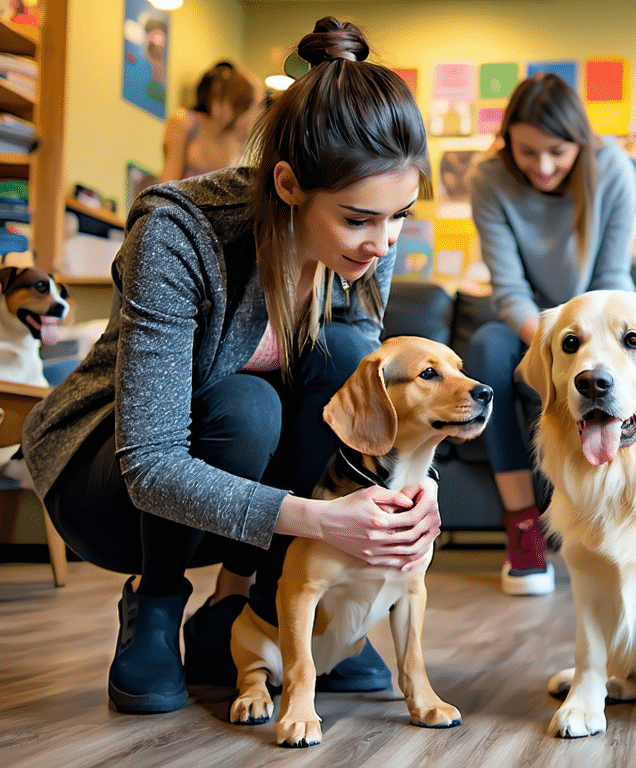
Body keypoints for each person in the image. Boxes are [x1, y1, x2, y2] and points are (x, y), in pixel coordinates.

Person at [21, 17, 437, 715]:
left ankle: (245, 606)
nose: (382, 243)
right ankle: (154, 603)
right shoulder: (179, 233)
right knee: (248, 407)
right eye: (360, 219)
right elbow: (149, 460)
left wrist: (407, 490)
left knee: (347, 359)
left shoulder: (369, 240)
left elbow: (363, 399)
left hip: (239, 484)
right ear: (287, 183)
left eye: (400, 217)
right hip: (109, 484)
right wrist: (321, 519)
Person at [465, 72, 636, 596]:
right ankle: (523, 527)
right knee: (487, 346)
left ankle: (617, 528)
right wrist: (554, 345)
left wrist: (585, 349)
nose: (541, 166)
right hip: (532, 327)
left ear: (579, 144)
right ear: (507, 142)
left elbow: (611, 280)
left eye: (557, 152)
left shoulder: (612, 171)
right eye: (527, 151)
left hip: (601, 324)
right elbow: (510, 292)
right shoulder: (488, 179)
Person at [160, 61, 263, 182]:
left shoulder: (236, 139)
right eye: (242, 105)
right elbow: (168, 182)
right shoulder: (185, 121)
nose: (248, 118)